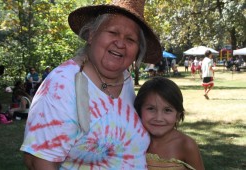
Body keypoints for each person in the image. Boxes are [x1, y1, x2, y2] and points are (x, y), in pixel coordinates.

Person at [20, 0, 161, 169]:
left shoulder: (125, 79)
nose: (121, 43)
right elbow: (38, 162)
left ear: (137, 50)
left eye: (130, 39)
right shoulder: (62, 84)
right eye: (113, 32)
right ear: (91, 35)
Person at [134, 77, 205, 170]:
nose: (158, 118)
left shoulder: (186, 145)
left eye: (167, 110)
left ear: (178, 115)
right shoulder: (132, 139)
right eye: (151, 109)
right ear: (139, 110)